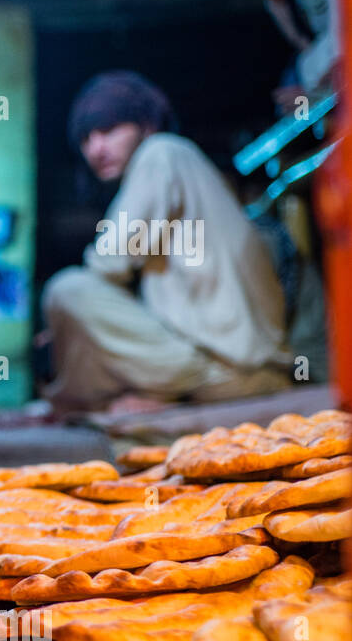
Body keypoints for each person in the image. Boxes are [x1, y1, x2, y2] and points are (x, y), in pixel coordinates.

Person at [41, 71, 291, 413]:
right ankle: (131, 397)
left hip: (230, 370)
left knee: (67, 291)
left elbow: (110, 261)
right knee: (79, 310)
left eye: (109, 130)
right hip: (228, 366)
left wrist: (65, 323)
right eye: (86, 138)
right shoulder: (181, 166)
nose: (96, 148)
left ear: (146, 125)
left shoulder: (162, 153)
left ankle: (112, 398)